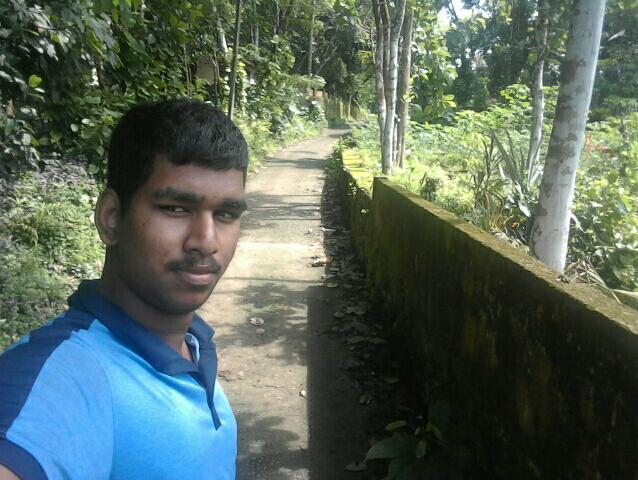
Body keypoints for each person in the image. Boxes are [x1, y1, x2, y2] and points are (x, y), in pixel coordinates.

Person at [0, 99, 248, 479]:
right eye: (176, 208)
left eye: (226, 214)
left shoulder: (193, 342)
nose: (206, 241)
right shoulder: (63, 377)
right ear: (112, 218)